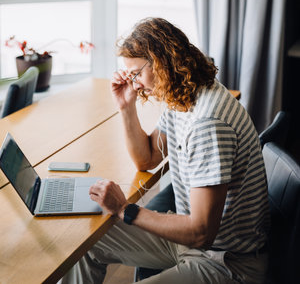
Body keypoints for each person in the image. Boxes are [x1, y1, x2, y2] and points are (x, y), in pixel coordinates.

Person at [61, 17, 270, 284]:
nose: (135, 83)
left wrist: (126, 209)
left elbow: (201, 232)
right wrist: (127, 107)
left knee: (108, 226)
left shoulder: (207, 123)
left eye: (136, 73)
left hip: (225, 261)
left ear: (160, 62)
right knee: (85, 244)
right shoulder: (185, 96)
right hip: (191, 243)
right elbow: (147, 159)